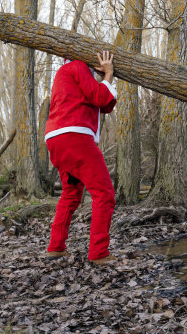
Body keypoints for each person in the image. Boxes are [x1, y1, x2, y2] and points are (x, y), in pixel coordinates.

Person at [44, 51, 117, 265]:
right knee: (104, 193)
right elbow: (101, 97)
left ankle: (56, 247)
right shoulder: (77, 66)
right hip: (74, 137)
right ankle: (99, 252)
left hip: (57, 140)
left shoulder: (65, 72)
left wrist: (104, 79)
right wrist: (109, 73)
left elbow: (103, 105)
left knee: (71, 193)